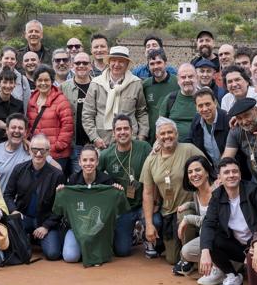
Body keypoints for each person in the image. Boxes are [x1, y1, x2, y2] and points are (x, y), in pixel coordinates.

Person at [197, 157, 257, 285]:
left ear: (240, 174)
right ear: (219, 177)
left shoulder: (254, 191)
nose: (231, 175)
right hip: (237, 246)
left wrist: (256, 244)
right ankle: (232, 276)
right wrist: (205, 251)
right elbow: (208, 223)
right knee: (211, 238)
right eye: (226, 172)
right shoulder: (217, 195)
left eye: (234, 171)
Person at [141, 118, 206, 264]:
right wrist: (149, 224)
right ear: (157, 138)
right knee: (172, 259)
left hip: (191, 208)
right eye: (162, 134)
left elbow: (207, 170)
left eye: (170, 132)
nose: (166, 136)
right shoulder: (151, 160)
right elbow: (148, 193)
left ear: (176, 134)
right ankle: (187, 255)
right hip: (168, 212)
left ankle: (191, 259)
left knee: (184, 214)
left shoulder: (188, 149)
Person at [51, 146, 127, 266]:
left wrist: (117, 190)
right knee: (70, 257)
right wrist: (61, 192)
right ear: (80, 162)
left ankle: (91, 248)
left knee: (117, 251)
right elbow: (61, 210)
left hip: (100, 229)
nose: (88, 163)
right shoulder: (72, 180)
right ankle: (85, 248)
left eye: (92, 160)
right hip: (76, 227)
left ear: (97, 162)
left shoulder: (107, 181)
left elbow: (119, 207)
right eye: (85, 160)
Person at [5, 133, 66, 260]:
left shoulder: (57, 175)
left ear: (48, 152)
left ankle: (34, 238)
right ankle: (31, 237)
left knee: (53, 254)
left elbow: (61, 206)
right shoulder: (19, 169)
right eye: (35, 150)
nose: (38, 154)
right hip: (23, 218)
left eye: (42, 150)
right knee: (9, 247)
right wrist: (14, 211)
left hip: (45, 220)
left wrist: (46, 226)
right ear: (29, 150)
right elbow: (7, 194)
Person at [99, 114, 150, 257]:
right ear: (113, 133)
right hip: (123, 208)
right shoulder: (105, 155)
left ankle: (149, 237)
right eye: (119, 129)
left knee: (156, 222)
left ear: (132, 130)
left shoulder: (144, 147)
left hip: (143, 204)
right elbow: (95, 177)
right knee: (122, 251)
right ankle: (135, 234)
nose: (123, 132)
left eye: (126, 128)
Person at [83, 46, 149, 147]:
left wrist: (141, 136)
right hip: (103, 142)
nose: (116, 64)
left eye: (121, 61)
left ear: (127, 64)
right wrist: (95, 138)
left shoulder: (136, 83)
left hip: (130, 141)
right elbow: (87, 114)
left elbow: (141, 112)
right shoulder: (96, 84)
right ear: (109, 62)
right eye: (113, 60)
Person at [27, 64, 74, 168]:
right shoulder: (31, 100)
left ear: (52, 81)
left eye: (46, 80)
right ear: (35, 82)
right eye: (40, 80)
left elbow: (67, 128)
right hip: (38, 154)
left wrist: (55, 147)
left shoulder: (61, 101)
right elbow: (30, 126)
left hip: (57, 155)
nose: (43, 83)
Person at [176, 156, 216, 276]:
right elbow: (203, 208)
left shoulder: (217, 190)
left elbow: (211, 219)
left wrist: (187, 219)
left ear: (207, 172)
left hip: (221, 236)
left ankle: (224, 266)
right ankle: (192, 261)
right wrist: (188, 205)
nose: (194, 174)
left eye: (198, 170)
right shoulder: (196, 192)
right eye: (190, 172)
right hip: (206, 236)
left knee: (186, 218)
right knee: (186, 251)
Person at [61, 52, 92, 162]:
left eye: (85, 63)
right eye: (78, 63)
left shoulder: (98, 85)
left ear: (91, 65)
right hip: (74, 144)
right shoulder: (64, 87)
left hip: (95, 143)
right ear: (72, 66)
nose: (81, 65)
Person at [188, 87, 228, 167]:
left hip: (231, 170)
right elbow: (189, 140)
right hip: (210, 171)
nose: (205, 109)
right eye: (200, 106)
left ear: (215, 103)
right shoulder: (196, 121)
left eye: (208, 104)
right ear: (196, 107)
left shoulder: (227, 119)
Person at [141, 49, 179, 128]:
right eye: (152, 64)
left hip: (172, 132)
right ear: (148, 66)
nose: (156, 67)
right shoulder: (145, 85)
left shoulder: (177, 82)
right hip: (152, 133)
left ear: (165, 63)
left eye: (159, 63)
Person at [161, 62, 200, 137]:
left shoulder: (205, 98)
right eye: (183, 77)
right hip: (175, 145)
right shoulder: (170, 99)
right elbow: (160, 124)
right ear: (178, 80)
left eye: (190, 76)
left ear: (197, 78)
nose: (187, 80)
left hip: (200, 145)